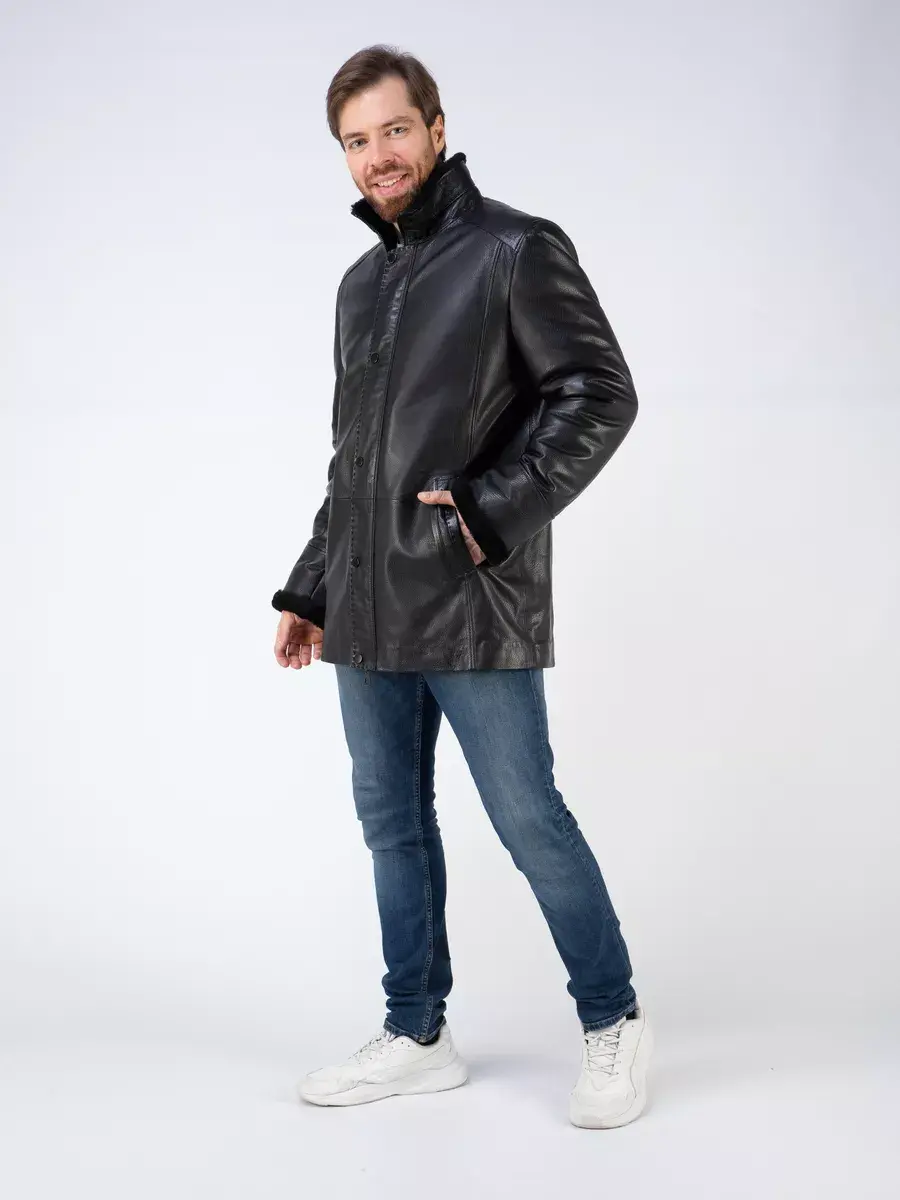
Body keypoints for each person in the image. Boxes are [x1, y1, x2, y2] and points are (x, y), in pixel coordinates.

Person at [271, 43, 652, 1129]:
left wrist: (487, 512)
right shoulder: (361, 285)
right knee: (391, 822)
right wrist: (312, 587)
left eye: (395, 130)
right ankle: (418, 1032)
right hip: (366, 602)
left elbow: (601, 392)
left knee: (528, 818)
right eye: (356, 141)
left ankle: (615, 1018)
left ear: (436, 129)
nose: (377, 156)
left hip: (470, 595)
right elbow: (354, 458)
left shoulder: (515, 248)